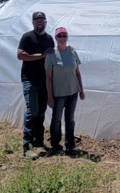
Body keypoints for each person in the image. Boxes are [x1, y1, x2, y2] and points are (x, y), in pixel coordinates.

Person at [17, 11, 55, 157]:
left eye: (42, 20)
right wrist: (41, 55)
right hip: (30, 80)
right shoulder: (27, 37)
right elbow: (20, 55)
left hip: (44, 81)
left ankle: (38, 141)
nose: (40, 22)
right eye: (37, 20)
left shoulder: (49, 39)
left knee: (40, 113)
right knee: (32, 112)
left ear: (46, 22)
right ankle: (27, 148)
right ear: (33, 22)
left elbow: (52, 59)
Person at [45, 27, 85, 155]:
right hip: (58, 94)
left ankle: (70, 145)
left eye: (64, 36)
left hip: (72, 92)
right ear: (56, 38)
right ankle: (56, 146)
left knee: (70, 119)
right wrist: (50, 97)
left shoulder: (72, 52)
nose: (62, 38)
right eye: (59, 36)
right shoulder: (51, 55)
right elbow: (48, 77)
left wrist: (81, 90)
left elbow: (77, 72)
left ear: (67, 38)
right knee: (56, 120)